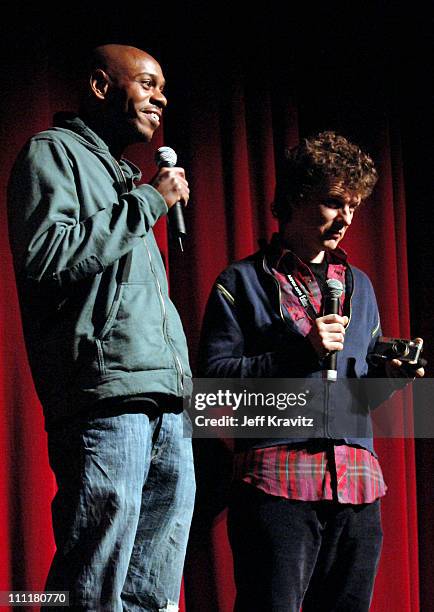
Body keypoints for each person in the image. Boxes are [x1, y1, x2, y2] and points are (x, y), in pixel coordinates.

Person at [198, 131, 424, 612]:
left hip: (359, 488)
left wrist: (391, 378)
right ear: (296, 197)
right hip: (276, 485)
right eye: (334, 202)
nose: (346, 218)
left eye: (354, 206)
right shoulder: (240, 281)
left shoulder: (359, 285)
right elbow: (212, 387)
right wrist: (297, 353)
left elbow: (356, 399)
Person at [7, 44, 195, 611]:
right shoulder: (52, 154)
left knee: (154, 585)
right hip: (104, 394)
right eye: (146, 83)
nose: (160, 97)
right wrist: (144, 204)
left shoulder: (124, 176)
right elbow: (46, 256)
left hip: (166, 396)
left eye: (163, 86)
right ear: (99, 85)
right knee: (92, 574)